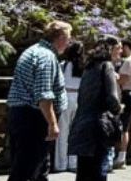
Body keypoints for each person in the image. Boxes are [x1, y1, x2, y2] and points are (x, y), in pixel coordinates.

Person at [7, 20, 72, 181]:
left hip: (22, 116)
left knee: (39, 168)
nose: (69, 43)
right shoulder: (46, 57)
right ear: (61, 37)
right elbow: (44, 95)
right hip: (34, 119)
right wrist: (52, 123)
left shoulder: (33, 51)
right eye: (68, 38)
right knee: (26, 170)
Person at [68, 38, 122, 181]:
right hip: (98, 127)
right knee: (99, 172)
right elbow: (112, 97)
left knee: (83, 173)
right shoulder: (107, 66)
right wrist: (118, 109)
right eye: (118, 48)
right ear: (110, 48)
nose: (120, 52)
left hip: (82, 124)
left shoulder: (89, 67)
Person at [55, 41, 84, 172]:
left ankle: (60, 163)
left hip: (66, 96)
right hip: (79, 97)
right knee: (76, 132)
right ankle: (73, 162)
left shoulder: (64, 65)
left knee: (62, 131)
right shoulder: (84, 67)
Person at [113, 38, 131, 169]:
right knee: (125, 126)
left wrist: (111, 75)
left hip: (126, 95)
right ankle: (121, 157)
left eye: (121, 48)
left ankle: (119, 157)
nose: (120, 51)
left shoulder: (129, 61)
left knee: (122, 126)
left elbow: (122, 80)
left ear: (126, 47)